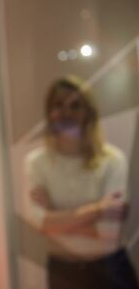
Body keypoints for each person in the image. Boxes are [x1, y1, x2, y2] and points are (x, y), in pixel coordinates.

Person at [25, 75, 138, 289]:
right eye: (59, 105)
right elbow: (37, 221)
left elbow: (108, 233)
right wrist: (98, 210)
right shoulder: (36, 162)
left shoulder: (113, 160)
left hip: (110, 270)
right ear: (49, 113)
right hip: (63, 273)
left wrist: (53, 217)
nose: (66, 112)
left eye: (75, 105)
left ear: (88, 113)